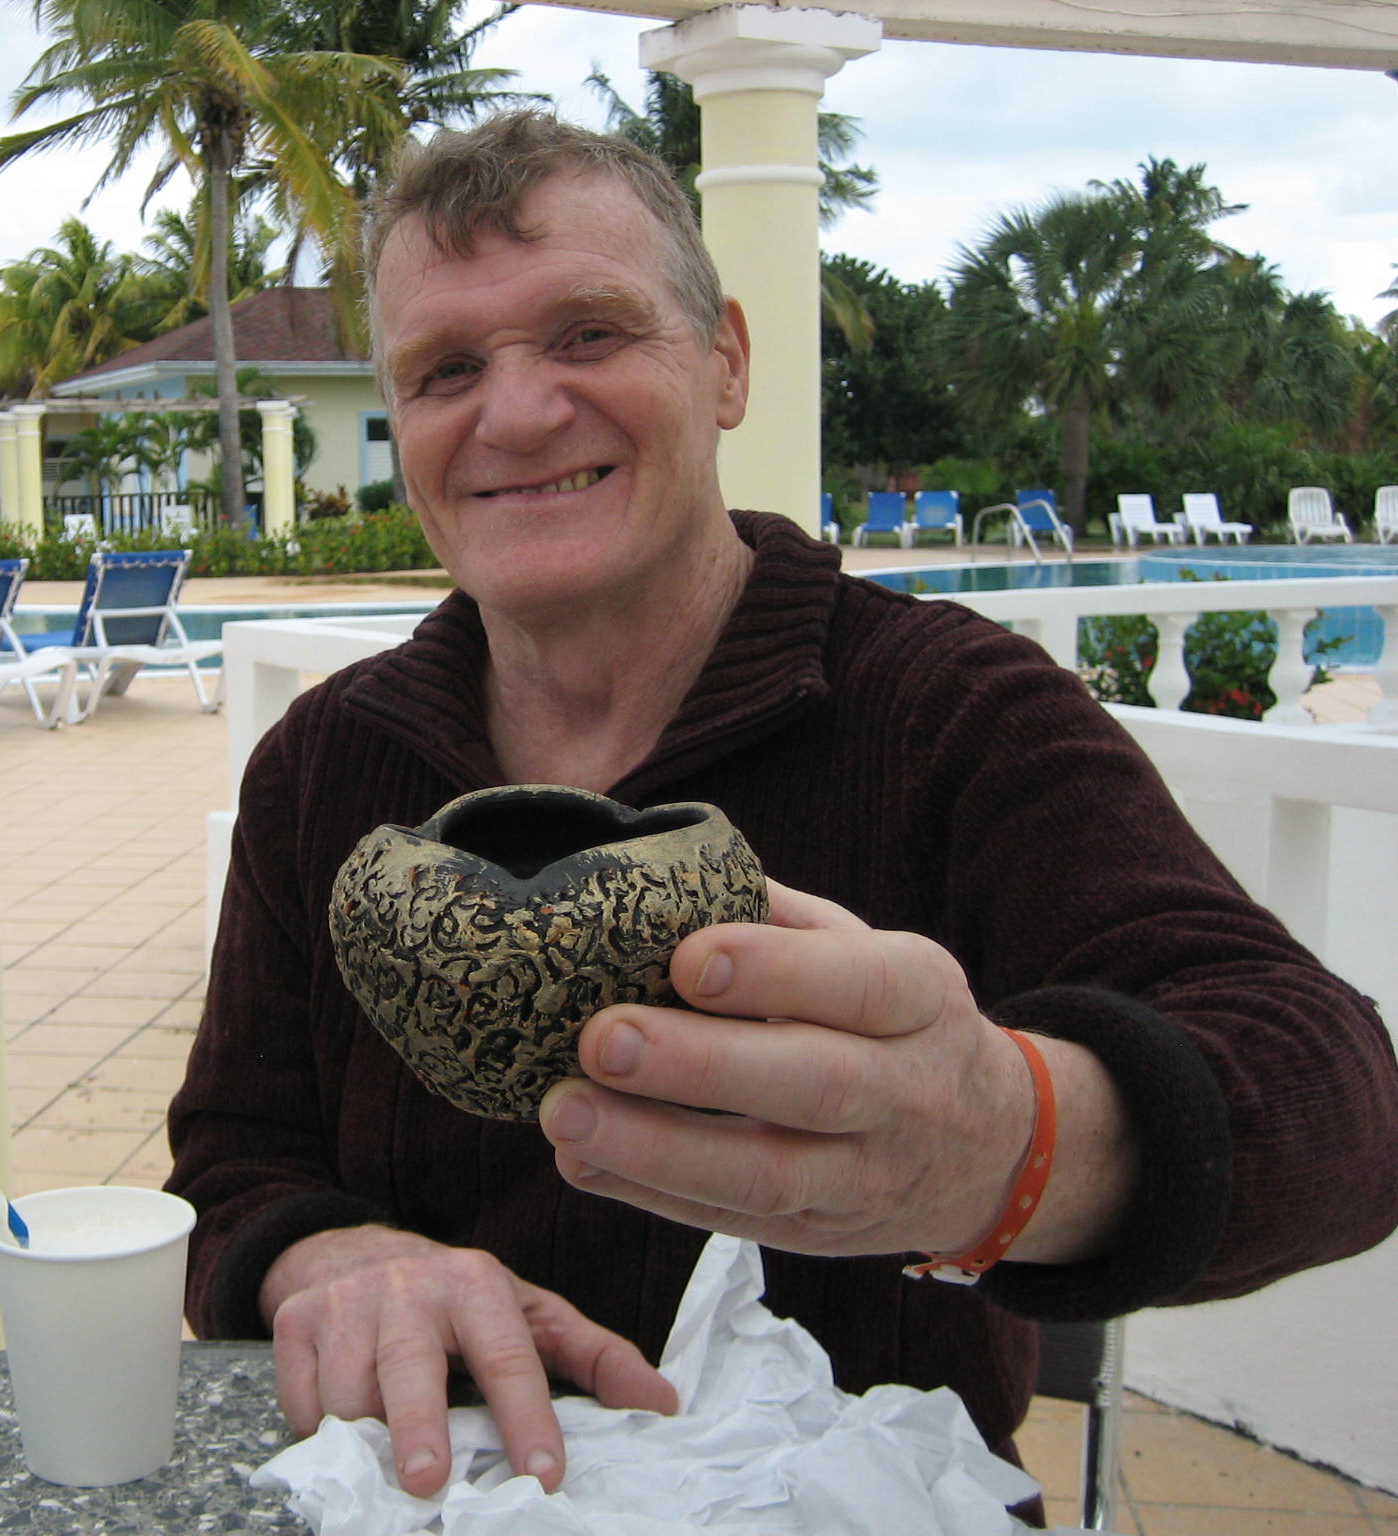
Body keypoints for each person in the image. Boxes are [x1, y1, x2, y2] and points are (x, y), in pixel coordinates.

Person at [165, 111, 1398, 1503]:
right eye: (447, 369)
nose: (514, 413)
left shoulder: (949, 713)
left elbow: (1338, 1099)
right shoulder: (327, 765)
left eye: (589, 335)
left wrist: (1007, 1138)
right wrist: (328, 1256)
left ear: (728, 361)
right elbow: (231, 1159)